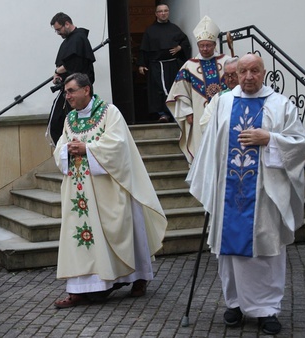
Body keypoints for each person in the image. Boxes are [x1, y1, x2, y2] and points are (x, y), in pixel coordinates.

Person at [186, 54, 305, 335]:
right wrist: (211, 182)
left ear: (264, 72)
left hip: (265, 194)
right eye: (243, 71)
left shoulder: (280, 105)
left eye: (255, 70)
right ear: (235, 73)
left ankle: (267, 310)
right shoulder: (223, 102)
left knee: (266, 251)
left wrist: (270, 139)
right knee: (230, 255)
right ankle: (235, 304)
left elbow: (300, 143)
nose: (249, 76)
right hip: (228, 193)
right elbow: (211, 145)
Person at [52, 73, 167, 308]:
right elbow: (61, 145)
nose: (68, 96)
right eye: (66, 92)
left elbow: (119, 145)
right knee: (82, 238)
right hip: (79, 191)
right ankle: (81, 289)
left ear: (87, 90)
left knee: (124, 230)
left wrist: (88, 148)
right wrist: (66, 151)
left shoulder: (110, 112)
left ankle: (139, 277)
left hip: (110, 186)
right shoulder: (70, 118)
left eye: (71, 91)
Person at [166, 15, 228, 163]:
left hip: (225, 112)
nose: (205, 49)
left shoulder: (227, 62)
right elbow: (180, 91)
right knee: (202, 147)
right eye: (202, 45)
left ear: (214, 45)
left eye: (208, 45)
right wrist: (187, 112)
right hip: (200, 115)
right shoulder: (189, 66)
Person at [46, 12, 96, 146]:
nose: (58, 33)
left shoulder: (78, 38)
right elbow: (64, 65)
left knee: (71, 121)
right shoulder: (69, 41)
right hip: (67, 88)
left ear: (67, 24)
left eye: (59, 29)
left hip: (77, 90)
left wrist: (58, 71)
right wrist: (57, 75)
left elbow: (72, 64)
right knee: (58, 121)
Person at [138, 2, 191, 123]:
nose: (163, 13)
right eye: (160, 11)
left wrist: (179, 48)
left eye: (165, 11)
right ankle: (163, 114)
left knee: (174, 89)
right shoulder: (150, 30)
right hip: (156, 66)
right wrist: (142, 64)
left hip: (172, 65)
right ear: (156, 14)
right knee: (158, 90)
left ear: (168, 12)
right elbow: (144, 49)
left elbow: (185, 42)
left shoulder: (174, 28)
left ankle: (174, 113)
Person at [200, 57, 239, 132]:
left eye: (234, 75)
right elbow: (204, 122)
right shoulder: (219, 97)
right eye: (227, 75)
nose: (230, 79)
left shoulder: (249, 95)